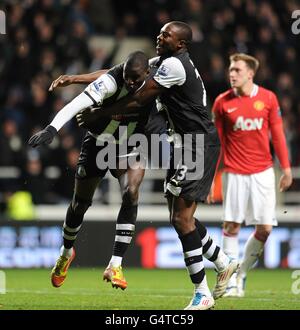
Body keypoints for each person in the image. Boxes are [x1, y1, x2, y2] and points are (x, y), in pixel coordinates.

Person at [82, 21, 238, 310]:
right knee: (178, 216)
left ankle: (202, 294)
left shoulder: (176, 66)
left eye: (167, 34)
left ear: (181, 44)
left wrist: (101, 113)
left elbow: (141, 97)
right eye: (161, 32)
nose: (160, 36)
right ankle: (223, 261)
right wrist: (77, 80)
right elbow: (118, 74)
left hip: (197, 144)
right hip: (182, 144)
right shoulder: (163, 60)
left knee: (181, 219)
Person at [28, 51, 163, 290]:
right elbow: (77, 104)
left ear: (146, 74)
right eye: (127, 77)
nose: (131, 83)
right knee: (81, 203)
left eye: (135, 79)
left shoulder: (157, 75)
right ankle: (66, 252)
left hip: (130, 144)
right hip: (99, 142)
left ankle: (116, 263)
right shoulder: (113, 80)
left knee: (131, 193)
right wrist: (51, 129)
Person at [211, 53, 293, 297]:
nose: (231, 74)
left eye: (237, 70)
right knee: (232, 225)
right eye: (230, 69)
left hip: (263, 173)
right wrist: (210, 179)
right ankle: (230, 281)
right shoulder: (222, 102)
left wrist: (286, 168)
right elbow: (217, 144)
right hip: (234, 173)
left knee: (265, 229)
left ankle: (241, 272)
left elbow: (277, 135)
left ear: (250, 73)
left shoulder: (268, 98)